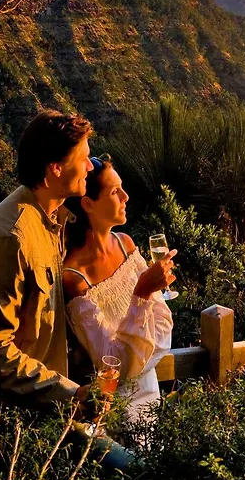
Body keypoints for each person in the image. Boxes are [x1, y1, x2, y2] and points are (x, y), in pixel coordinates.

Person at [0, 109, 111, 419]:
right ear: (55, 168)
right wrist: (68, 395)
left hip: (52, 411)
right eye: (83, 159)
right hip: (21, 420)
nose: (90, 166)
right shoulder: (9, 237)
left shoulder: (55, 220)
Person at [61, 155, 176, 427]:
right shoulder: (74, 278)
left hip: (150, 389)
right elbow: (113, 368)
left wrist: (139, 356)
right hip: (117, 409)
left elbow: (164, 330)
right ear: (88, 204)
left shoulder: (125, 244)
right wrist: (142, 294)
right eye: (114, 191)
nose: (125, 196)